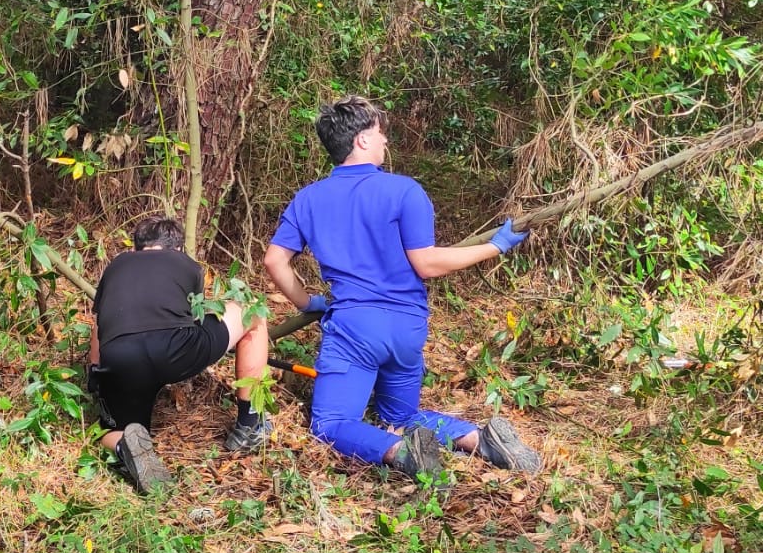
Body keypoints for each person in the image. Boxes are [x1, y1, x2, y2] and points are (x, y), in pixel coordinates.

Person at [263, 97, 541, 481]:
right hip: (407, 329)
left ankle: (400, 452)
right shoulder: (405, 191)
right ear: (360, 140)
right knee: (401, 415)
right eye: (380, 134)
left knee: (331, 423)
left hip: (355, 330)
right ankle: (479, 439)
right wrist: (495, 247)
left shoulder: (308, 199)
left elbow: (274, 261)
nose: (385, 142)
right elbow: (425, 262)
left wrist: (306, 301)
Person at [88, 214, 271, 494]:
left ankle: (125, 443)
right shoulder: (187, 265)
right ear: (176, 247)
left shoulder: (116, 266)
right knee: (253, 311)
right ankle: (250, 424)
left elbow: (98, 328)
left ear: (137, 247)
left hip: (119, 356)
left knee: (109, 429)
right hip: (175, 348)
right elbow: (193, 315)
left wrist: (97, 378)